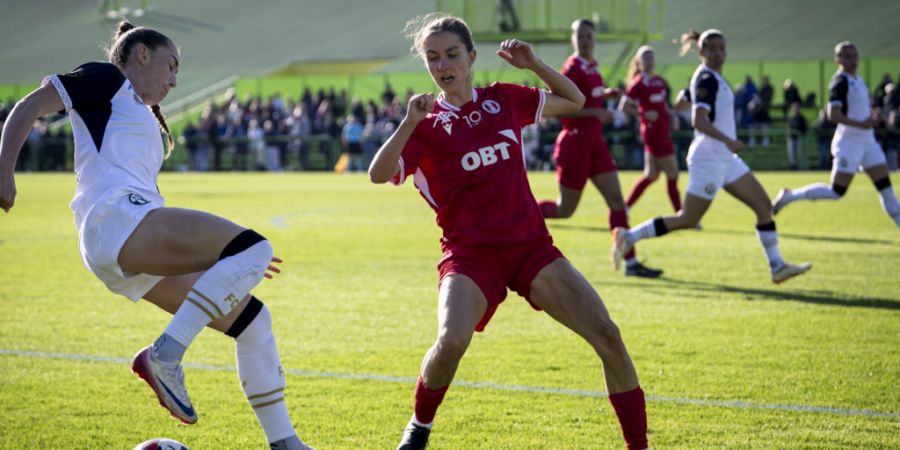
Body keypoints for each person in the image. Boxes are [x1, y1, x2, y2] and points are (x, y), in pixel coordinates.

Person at [0, 22, 312, 450]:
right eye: (171, 65)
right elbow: (29, 106)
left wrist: (223, 260)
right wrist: (3, 169)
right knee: (254, 246)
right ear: (142, 55)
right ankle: (165, 356)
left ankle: (286, 444)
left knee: (254, 321)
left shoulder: (139, 110)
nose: (175, 79)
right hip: (114, 220)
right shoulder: (108, 78)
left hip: (125, 237)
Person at [369, 14, 649, 450]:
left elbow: (573, 100)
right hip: (469, 255)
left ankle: (639, 446)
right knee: (451, 340)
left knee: (608, 336)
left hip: (530, 248)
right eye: (433, 57)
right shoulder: (423, 122)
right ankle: (419, 427)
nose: (444, 65)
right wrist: (407, 123)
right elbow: (377, 173)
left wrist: (534, 63)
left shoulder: (504, 99)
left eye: (452, 55)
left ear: (471, 57)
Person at [612, 29, 812, 284]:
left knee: (763, 207)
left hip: (725, 158)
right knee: (688, 218)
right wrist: (729, 139)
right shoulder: (706, 78)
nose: (718, 54)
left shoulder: (709, 78)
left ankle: (777, 267)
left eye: (721, 48)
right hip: (710, 158)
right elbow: (698, 120)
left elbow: (683, 102)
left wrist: (684, 105)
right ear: (701, 52)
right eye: (712, 49)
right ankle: (628, 237)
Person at [536, 18, 662, 278]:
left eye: (588, 36)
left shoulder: (592, 66)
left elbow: (585, 96)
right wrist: (598, 111)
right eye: (579, 36)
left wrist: (604, 95)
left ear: (594, 39)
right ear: (573, 40)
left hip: (595, 144)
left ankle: (631, 263)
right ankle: (519, 212)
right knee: (565, 210)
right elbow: (562, 106)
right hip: (575, 143)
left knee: (617, 201)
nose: (584, 40)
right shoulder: (571, 68)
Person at [773, 42, 900, 229]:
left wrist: (872, 115)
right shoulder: (840, 81)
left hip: (868, 142)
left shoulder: (858, 80)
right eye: (847, 56)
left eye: (854, 55)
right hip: (849, 143)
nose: (853, 59)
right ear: (837, 60)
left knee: (886, 189)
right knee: (837, 191)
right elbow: (833, 115)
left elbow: (858, 109)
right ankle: (790, 196)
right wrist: (862, 123)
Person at [619, 45, 682, 214]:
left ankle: (626, 207)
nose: (649, 60)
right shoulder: (638, 83)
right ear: (638, 62)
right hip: (653, 133)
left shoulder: (659, 81)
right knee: (673, 173)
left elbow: (663, 106)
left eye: (651, 57)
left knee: (651, 175)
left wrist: (673, 116)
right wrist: (643, 113)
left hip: (661, 131)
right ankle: (681, 214)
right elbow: (623, 106)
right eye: (645, 57)